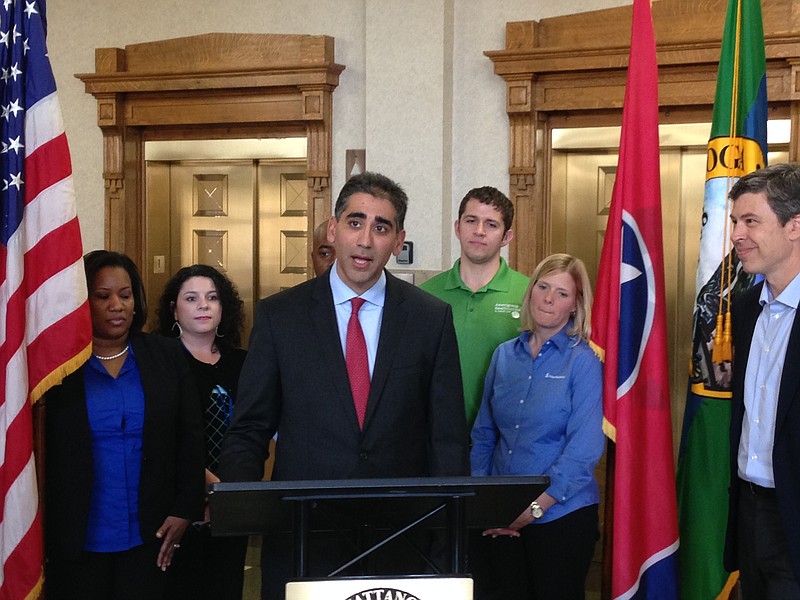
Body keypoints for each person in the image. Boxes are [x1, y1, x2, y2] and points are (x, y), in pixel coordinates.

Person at [218, 171, 469, 599]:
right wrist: (240, 509)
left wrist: (448, 531)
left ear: (398, 238)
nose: (366, 240)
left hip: (402, 537)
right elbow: (250, 427)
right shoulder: (281, 316)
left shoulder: (430, 319)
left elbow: (446, 437)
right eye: (355, 222)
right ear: (333, 229)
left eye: (381, 227)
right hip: (303, 536)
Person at [45, 250, 205, 600]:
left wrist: (184, 508)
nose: (117, 305)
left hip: (152, 535)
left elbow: (190, 438)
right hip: (76, 537)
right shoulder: (57, 370)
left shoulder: (166, 356)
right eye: (103, 297)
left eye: (126, 295)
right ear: (81, 302)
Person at [470, 253, 604, 600]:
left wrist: (531, 510)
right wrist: (489, 507)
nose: (548, 298)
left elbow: (583, 449)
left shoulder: (583, 362)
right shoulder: (503, 355)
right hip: (499, 518)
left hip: (560, 517)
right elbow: (484, 436)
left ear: (575, 305)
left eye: (561, 293)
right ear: (530, 292)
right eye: (543, 287)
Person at [724, 163, 800, 599]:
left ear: (794, 227)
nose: (736, 233)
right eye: (736, 221)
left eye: (751, 221)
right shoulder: (747, 305)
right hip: (750, 511)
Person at [154, 264, 248, 600]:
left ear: (225, 307)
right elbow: (163, 437)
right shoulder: (158, 360)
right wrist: (206, 486)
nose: (203, 305)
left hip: (233, 500)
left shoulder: (244, 363)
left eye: (212, 298)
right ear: (174, 309)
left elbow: (253, 430)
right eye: (191, 298)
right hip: (176, 499)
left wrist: (228, 491)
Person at [420, 186, 528, 428]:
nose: (479, 231)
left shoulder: (530, 294)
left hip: (507, 439)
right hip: (438, 437)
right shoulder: (426, 296)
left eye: (491, 224)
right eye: (471, 221)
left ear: (506, 237)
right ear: (457, 228)